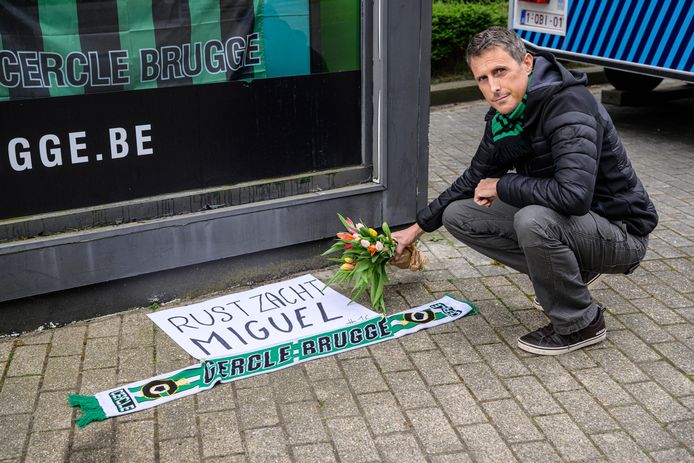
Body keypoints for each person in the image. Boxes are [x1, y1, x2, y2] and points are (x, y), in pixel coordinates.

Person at [392, 27, 658, 356]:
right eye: (482, 78)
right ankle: (571, 273)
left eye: (500, 71)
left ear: (527, 63)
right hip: (579, 225)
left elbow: (574, 197)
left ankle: (580, 324)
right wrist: (415, 229)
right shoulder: (506, 119)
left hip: (621, 232)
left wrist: (504, 185)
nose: (493, 88)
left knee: (534, 220)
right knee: (459, 214)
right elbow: (473, 178)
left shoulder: (568, 107)